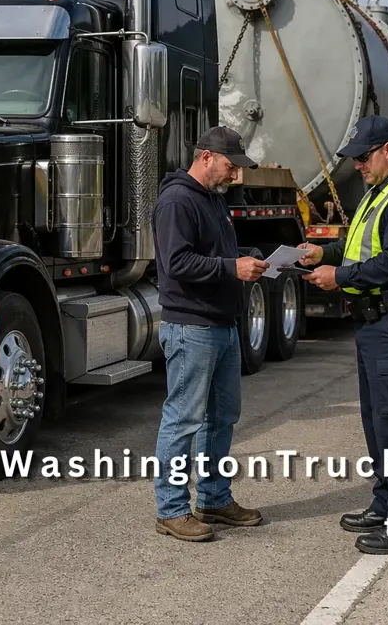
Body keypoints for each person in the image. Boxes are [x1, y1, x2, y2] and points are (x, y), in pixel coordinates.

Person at [297, 114, 388, 555]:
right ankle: (386, 503)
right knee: (378, 422)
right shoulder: (380, 193)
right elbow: (361, 248)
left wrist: (338, 276)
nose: (357, 165)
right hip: (375, 323)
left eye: (363, 157)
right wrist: (324, 253)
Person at [151, 126, 270, 542]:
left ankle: (215, 499)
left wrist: (249, 260)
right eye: (230, 165)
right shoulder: (177, 201)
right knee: (183, 420)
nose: (235, 174)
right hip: (191, 327)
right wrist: (231, 267)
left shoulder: (212, 199)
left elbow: (213, 255)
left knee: (221, 419)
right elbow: (177, 263)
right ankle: (171, 510)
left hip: (222, 325)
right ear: (205, 157)